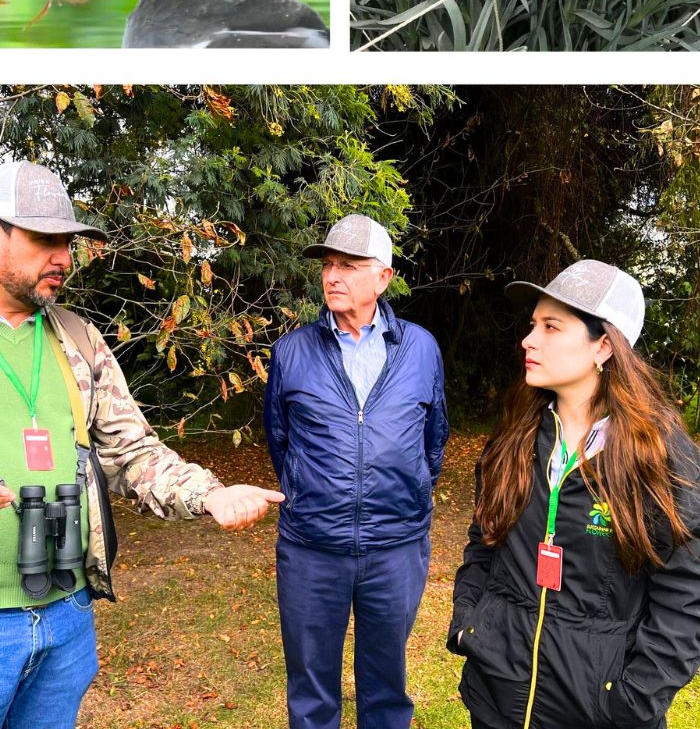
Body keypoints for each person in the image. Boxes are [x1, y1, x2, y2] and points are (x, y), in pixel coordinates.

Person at [0, 159, 284, 729]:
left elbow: (133, 453)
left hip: (66, 613)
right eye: (43, 239)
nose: (63, 257)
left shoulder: (79, 340)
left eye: (67, 241)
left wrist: (210, 494)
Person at [447, 259, 700, 729]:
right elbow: (483, 541)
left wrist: (631, 701)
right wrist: (470, 623)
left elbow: (686, 597)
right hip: (497, 701)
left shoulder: (660, 459)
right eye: (532, 325)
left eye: (551, 327)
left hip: (597, 714)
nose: (528, 340)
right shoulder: (515, 438)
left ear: (603, 346)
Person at [264, 213, 449, 729]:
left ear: (383, 277)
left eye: (349, 264)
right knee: (311, 688)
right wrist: (311, 493)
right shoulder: (292, 350)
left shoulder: (421, 348)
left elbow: (433, 439)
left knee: (387, 685)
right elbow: (279, 439)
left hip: (395, 548)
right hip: (310, 548)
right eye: (327, 264)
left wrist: (405, 494)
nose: (332, 276)